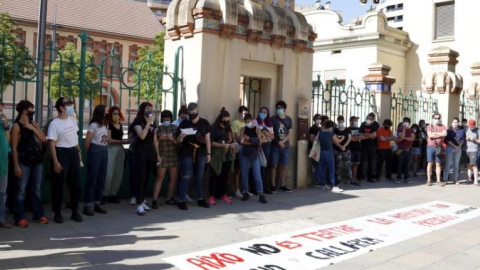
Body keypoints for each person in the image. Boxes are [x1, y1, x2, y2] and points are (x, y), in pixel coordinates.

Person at [10, 100, 48, 227]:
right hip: (23, 160)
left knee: (36, 189)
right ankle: (19, 217)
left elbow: (44, 139)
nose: (33, 111)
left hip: (37, 160)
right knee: (21, 190)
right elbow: (14, 148)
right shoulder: (16, 127)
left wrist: (33, 128)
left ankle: (38, 214)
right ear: (25, 110)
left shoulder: (34, 124)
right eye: (31, 109)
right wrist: (16, 165)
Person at [48, 97, 83, 223]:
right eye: (68, 105)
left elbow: (75, 138)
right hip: (61, 153)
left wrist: (79, 154)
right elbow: (52, 143)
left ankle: (75, 211)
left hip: (73, 153)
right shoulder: (54, 123)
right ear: (61, 108)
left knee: (76, 185)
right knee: (59, 185)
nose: (70, 107)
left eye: (71, 104)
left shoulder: (72, 120)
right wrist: (56, 161)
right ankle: (57, 212)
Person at [176, 102, 212, 210]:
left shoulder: (204, 123)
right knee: (186, 175)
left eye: (194, 112)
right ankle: (181, 200)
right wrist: (181, 137)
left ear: (197, 110)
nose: (192, 114)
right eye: (190, 112)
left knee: (199, 176)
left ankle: (200, 199)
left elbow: (207, 139)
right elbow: (178, 140)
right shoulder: (184, 123)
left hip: (200, 151)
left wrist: (209, 153)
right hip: (187, 151)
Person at [131, 102, 157, 215]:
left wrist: (158, 155)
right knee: (141, 177)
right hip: (140, 151)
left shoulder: (153, 123)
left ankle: (142, 199)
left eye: (151, 108)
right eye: (147, 108)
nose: (150, 110)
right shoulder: (138, 121)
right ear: (143, 110)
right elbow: (142, 136)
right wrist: (148, 123)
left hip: (150, 151)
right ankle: (139, 204)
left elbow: (154, 139)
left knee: (146, 177)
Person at [83, 105, 109, 216]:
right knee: (92, 178)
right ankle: (88, 204)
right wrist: (92, 153)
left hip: (104, 150)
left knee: (101, 178)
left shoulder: (105, 125)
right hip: (96, 150)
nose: (107, 112)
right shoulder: (93, 125)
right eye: (105, 111)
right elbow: (87, 142)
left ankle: (97, 202)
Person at [152, 110, 179, 209]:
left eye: (168, 119)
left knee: (173, 178)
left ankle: (169, 198)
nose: (166, 121)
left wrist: (172, 139)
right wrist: (159, 138)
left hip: (173, 155)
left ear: (171, 119)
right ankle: (154, 200)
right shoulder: (158, 129)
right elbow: (154, 143)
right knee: (160, 177)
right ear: (161, 119)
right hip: (162, 155)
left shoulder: (175, 128)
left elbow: (178, 142)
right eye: (164, 119)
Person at [209, 108, 236, 205]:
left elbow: (232, 140)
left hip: (227, 154)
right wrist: (221, 145)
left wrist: (232, 145)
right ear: (221, 118)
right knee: (215, 175)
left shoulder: (229, 128)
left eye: (228, 120)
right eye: (225, 120)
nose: (226, 122)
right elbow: (211, 142)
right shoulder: (214, 127)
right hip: (217, 154)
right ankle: (211, 196)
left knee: (225, 176)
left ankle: (223, 194)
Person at [102, 106, 128, 205]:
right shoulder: (108, 125)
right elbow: (109, 139)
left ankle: (113, 194)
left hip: (120, 150)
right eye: (114, 114)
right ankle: (104, 194)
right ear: (110, 115)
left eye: (117, 113)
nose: (116, 115)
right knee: (108, 174)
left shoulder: (120, 125)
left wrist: (122, 142)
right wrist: (122, 141)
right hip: (111, 150)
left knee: (118, 174)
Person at [239, 114, 267, 203]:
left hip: (254, 153)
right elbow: (241, 141)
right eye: (246, 122)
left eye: (248, 121)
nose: (247, 123)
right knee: (244, 173)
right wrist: (253, 141)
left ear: (252, 120)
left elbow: (259, 142)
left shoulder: (257, 129)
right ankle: (245, 192)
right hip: (245, 153)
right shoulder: (243, 129)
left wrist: (249, 139)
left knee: (257, 174)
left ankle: (261, 194)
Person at [270, 100, 293, 193]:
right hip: (275, 145)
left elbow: (290, 132)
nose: (279, 109)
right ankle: (272, 185)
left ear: (285, 109)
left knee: (283, 166)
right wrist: (278, 141)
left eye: (281, 108)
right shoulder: (272, 119)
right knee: (274, 165)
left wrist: (283, 141)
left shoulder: (289, 119)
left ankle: (282, 184)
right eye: (278, 108)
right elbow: (270, 132)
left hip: (286, 146)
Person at [316, 120, 343, 192]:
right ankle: (333, 186)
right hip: (329, 153)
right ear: (331, 127)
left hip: (322, 152)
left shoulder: (320, 133)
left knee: (323, 169)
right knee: (332, 170)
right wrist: (342, 138)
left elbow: (316, 140)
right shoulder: (331, 134)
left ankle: (323, 185)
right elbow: (338, 141)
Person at [254, 106, 274, 193]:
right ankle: (255, 188)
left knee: (264, 166)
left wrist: (267, 133)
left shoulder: (269, 123)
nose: (263, 114)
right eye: (261, 112)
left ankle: (264, 187)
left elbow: (273, 136)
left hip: (267, 145)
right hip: (257, 145)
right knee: (255, 167)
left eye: (265, 112)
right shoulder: (255, 122)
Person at [333, 116, 356, 186]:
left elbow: (349, 139)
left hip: (346, 150)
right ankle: (337, 180)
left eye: (341, 121)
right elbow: (334, 140)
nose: (340, 123)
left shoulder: (347, 130)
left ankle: (351, 180)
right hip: (337, 150)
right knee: (338, 166)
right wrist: (340, 146)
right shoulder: (335, 130)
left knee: (348, 166)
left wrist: (344, 146)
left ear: (343, 121)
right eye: (339, 122)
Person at [232, 106, 249, 198]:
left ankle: (245, 189)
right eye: (243, 113)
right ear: (239, 113)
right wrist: (247, 140)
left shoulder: (248, 123)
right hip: (240, 148)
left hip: (248, 149)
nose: (244, 115)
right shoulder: (235, 123)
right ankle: (236, 189)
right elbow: (237, 137)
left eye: (246, 114)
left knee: (245, 170)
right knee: (237, 170)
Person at [0, 101, 12, 229]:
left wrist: (6, 126)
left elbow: (8, 141)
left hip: (2, 161)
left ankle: (1, 219)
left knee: (2, 192)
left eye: (1, 111)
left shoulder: (3, 126)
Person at [426, 112, 447, 186]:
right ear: (433, 119)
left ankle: (438, 180)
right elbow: (430, 135)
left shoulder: (443, 126)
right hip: (430, 147)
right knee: (430, 163)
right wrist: (439, 134)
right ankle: (429, 180)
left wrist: (435, 133)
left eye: (438, 118)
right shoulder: (429, 126)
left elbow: (444, 134)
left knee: (438, 164)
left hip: (439, 147)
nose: (437, 119)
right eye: (436, 118)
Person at [442, 118, 464, 184]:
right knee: (448, 164)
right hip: (450, 148)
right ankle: (445, 179)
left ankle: (455, 179)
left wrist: (458, 147)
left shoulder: (461, 131)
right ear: (452, 123)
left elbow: (463, 140)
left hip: (458, 149)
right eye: (454, 122)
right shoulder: (448, 131)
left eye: (456, 122)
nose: (455, 123)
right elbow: (447, 140)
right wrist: (455, 146)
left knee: (456, 165)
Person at [359, 113, 378, 183]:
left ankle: (369, 177)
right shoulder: (363, 124)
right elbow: (360, 134)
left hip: (372, 146)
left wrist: (365, 135)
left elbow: (374, 135)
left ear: (373, 120)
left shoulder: (374, 125)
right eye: (368, 118)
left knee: (371, 162)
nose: (369, 120)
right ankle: (360, 176)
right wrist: (369, 135)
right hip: (363, 145)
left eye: (371, 119)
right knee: (362, 161)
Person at [396, 117, 415, 184]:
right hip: (401, 149)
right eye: (404, 122)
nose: (406, 123)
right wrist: (404, 129)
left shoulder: (411, 130)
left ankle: (406, 178)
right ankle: (399, 178)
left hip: (409, 149)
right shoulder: (400, 130)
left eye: (407, 122)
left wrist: (404, 138)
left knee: (407, 164)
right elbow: (401, 136)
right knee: (400, 164)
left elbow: (412, 138)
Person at [465, 119, 480, 185]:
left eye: (472, 126)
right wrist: (466, 138)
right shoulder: (466, 130)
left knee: (474, 165)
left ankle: (476, 180)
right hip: (467, 150)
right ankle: (469, 179)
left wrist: (474, 140)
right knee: (468, 165)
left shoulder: (477, 130)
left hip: (474, 150)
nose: (471, 127)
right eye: (470, 126)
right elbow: (464, 138)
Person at [309, 114, 322, 186]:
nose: (319, 120)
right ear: (314, 119)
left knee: (319, 164)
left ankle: (318, 179)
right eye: (317, 118)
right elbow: (311, 139)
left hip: (320, 148)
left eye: (320, 118)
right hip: (315, 149)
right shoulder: (313, 128)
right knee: (317, 164)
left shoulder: (320, 128)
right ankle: (317, 180)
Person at [349, 116, 362, 184]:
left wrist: (356, 137)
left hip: (358, 149)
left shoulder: (359, 129)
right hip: (350, 149)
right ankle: (348, 178)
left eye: (357, 120)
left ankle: (354, 178)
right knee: (349, 165)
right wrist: (356, 137)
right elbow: (350, 138)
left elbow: (361, 137)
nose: (356, 122)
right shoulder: (348, 129)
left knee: (356, 164)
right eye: (355, 120)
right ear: (351, 121)